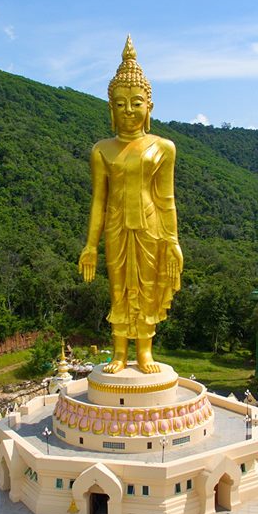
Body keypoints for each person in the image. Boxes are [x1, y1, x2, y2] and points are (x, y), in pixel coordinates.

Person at [79, 36, 183, 374]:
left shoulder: (163, 147)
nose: (128, 110)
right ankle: (120, 352)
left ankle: (145, 352)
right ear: (111, 107)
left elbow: (167, 200)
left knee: (148, 289)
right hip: (116, 226)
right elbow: (99, 200)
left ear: (149, 106)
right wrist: (90, 245)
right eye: (120, 103)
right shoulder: (102, 150)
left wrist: (173, 242)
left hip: (151, 227)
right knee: (119, 289)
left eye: (136, 103)